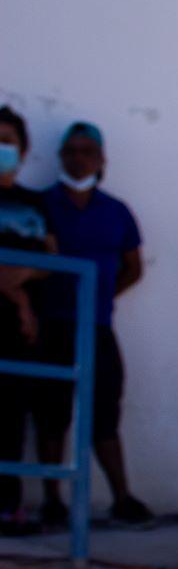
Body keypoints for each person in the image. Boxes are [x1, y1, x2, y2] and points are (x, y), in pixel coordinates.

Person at [35, 121, 150, 525]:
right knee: (51, 414)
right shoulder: (41, 205)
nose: (78, 158)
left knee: (105, 414)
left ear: (101, 160)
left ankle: (122, 498)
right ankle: (52, 499)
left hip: (98, 327)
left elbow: (133, 267)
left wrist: (100, 297)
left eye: (87, 151)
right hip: (51, 325)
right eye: (71, 150)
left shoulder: (116, 211)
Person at [0, 106, 55, 535]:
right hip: (18, 311)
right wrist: (14, 291)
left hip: (21, 327)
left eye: (8, 141)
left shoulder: (34, 203)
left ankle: (8, 507)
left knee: (13, 413)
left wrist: (22, 283)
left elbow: (51, 260)